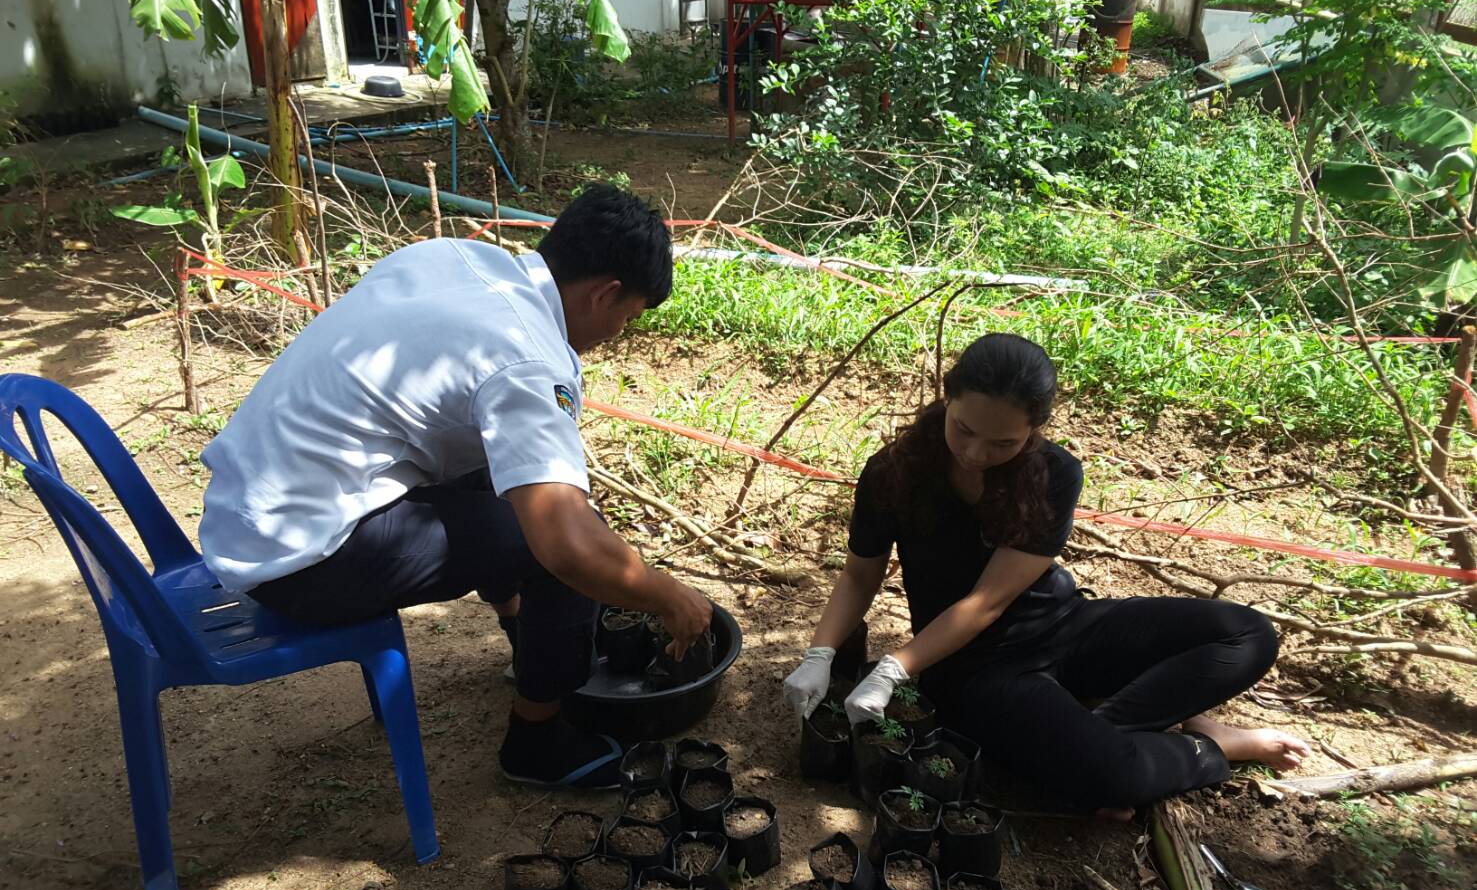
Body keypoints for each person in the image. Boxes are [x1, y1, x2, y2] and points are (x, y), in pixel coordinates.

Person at [199, 185, 711, 789]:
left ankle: (527, 638)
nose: (616, 335)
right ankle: (537, 742)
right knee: (561, 546)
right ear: (604, 293)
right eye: (626, 319)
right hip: (302, 559)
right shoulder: (525, 359)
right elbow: (568, 547)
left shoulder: (450, 258)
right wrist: (668, 596)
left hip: (254, 510)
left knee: (508, 479)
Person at [783, 333, 1309, 815]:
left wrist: (893, 668)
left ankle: (1101, 739)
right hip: (975, 668)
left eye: (1002, 444)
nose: (974, 454)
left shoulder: (1054, 474)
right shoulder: (894, 472)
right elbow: (859, 575)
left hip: (1064, 626)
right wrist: (820, 654)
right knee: (1114, 777)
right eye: (963, 429)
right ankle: (1208, 747)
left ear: (1034, 429)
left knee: (1248, 635)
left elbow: (989, 599)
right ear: (948, 397)